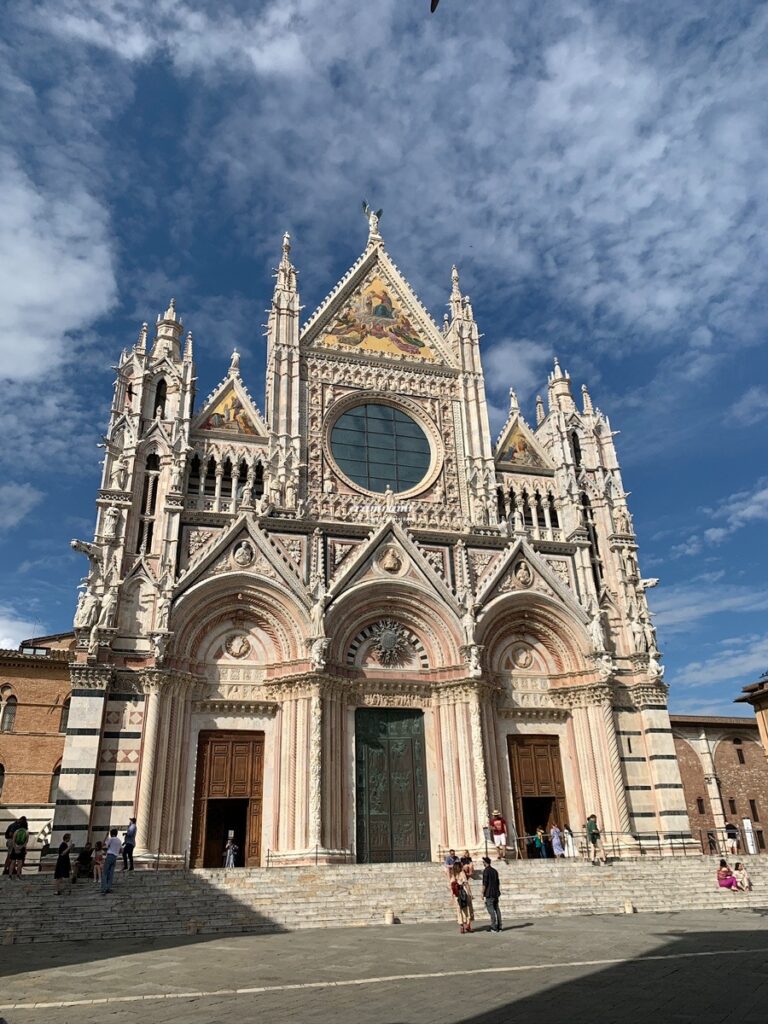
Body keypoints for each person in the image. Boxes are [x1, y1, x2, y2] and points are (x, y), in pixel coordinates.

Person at [481, 856, 502, 933]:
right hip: (495, 892)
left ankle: (493, 926)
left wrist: (482, 893)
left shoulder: (486, 871)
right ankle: (500, 926)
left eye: (483, 862)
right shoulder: (495, 871)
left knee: (491, 910)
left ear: (485, 863)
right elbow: (498, 882)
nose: (483, 863)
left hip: (489, 893)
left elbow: (484, 883)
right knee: (497, 909)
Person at [450, 862, 473, 933]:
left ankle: (461, 926)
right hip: (463, 893)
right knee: (467, 909)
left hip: (457, 895)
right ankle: (468, 925)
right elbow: (466, 883)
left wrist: (452, 897)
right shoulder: (462, 873)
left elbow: (451, 886)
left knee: (459, 910)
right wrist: (470, 894)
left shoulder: (453, 875)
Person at [102, 827, 122, 894]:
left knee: (105, 872)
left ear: (111, 834)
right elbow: (121, 850)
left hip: (110, 856)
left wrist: (105, 837)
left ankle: (104, 888)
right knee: (111, 873)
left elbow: (104, 845)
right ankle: (108, 888)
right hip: (115, 857)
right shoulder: (119, 841)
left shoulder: (111, 839)